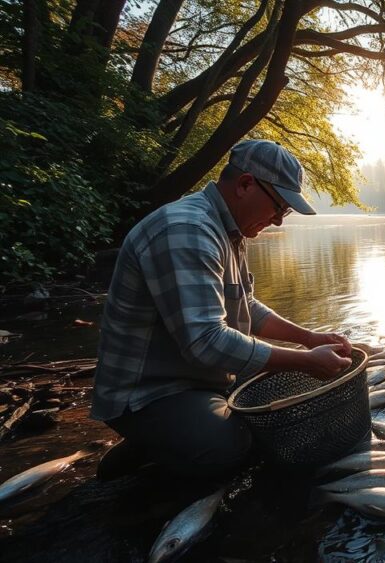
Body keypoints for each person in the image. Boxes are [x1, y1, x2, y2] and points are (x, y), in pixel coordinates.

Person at [91, 140, 352, 480]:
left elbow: (246, 307)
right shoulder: (186, 230)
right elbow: (206, 340)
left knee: (289, 389)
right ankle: (153, 443)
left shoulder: (228, 230)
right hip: (147, 393)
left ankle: (177, 434)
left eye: (284, 212)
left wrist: (307, 338)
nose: (277, 222)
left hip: (201, 376)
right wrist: (306, 359)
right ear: (245, 185)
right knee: (233, 446)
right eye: (278, 208)